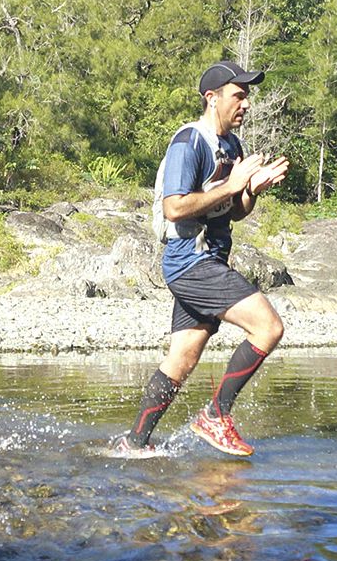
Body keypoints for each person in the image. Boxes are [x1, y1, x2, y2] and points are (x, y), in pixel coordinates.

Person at [119, 59, 290, 457]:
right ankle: (216, 415)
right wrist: (233, 182)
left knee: (182, 359)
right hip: (190, 260)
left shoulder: (233, 146)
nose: (245, 103)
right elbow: (175, 208)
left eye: (247, 96)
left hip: (209, 259)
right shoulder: (189, 142)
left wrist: (251, 191)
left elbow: (232, 212)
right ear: (212, 98)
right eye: (239, 95)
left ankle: (134, 443)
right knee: (268, 327)